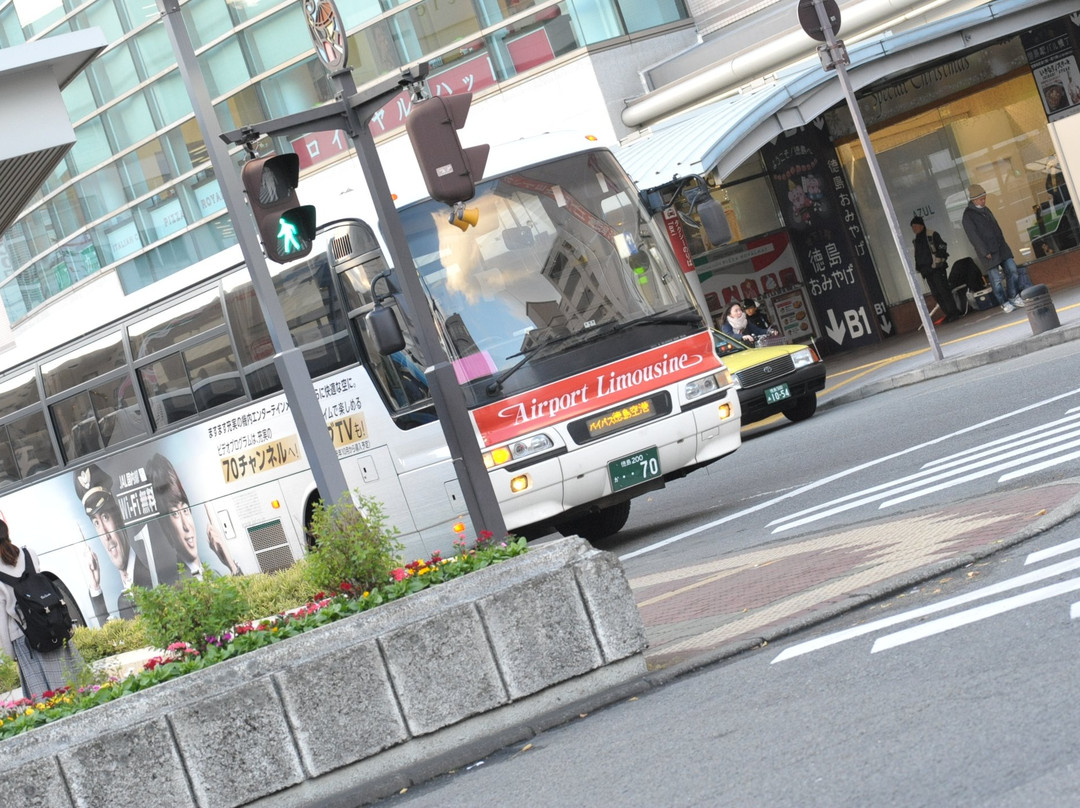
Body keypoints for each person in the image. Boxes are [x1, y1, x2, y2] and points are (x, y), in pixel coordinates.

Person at [0, 519, 84, 698]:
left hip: (25, 639)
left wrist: (9, 654)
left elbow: (2, 620)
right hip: (52, 625)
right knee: (73, 682)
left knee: (45, 698)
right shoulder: (28, 554)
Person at [74, 463, 154, 623]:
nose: (105, 535)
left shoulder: (149, 579)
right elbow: (117, 635)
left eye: (105, 517)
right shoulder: (123, 599)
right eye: (96, 523)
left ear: (119, 517)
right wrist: (95, 588)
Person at [148, 453, 240, 579]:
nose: (186, 526)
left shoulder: (214, 575)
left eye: (185, 510)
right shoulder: (178, 584)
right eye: (175, 513)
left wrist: (231, 564)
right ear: (166, 529)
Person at [961, 184, 1028, 313]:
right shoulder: (968, 216)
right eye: (981, 199)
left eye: (984, 198)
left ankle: (1013, 296)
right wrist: (984, 252)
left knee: (1012, 270)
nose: (983, 201)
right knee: (996, 280)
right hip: (988, 251)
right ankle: (1004, 302)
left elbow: (996, 227)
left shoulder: (986, 209)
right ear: (974, 200)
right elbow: (973, 237)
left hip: (1001, 247)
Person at [910, 216, 960, 323]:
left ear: (921, 225)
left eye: (915, 226)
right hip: (927, 272)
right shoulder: (916, 240)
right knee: (936, 294)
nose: (913, 229)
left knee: (944, 291)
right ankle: (948, 313)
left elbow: (942, 246)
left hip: (937, 269)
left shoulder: (932, 234)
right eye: (912, 227)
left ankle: (954, 313)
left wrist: (937, 261)